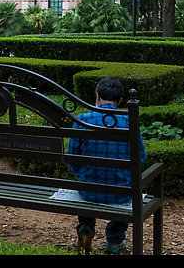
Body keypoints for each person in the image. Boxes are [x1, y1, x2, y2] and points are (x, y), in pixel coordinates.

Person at [67, 76, 147, 255]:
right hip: (120, 193)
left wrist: (83, 173)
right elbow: (141, 158)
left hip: (88, 191)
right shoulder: (129, 122)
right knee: (126, 187)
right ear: (119, 101)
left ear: (96, 95)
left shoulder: (82, 119)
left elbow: (72, 159)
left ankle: (86, 226)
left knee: (88, 181)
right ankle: (115, 239)